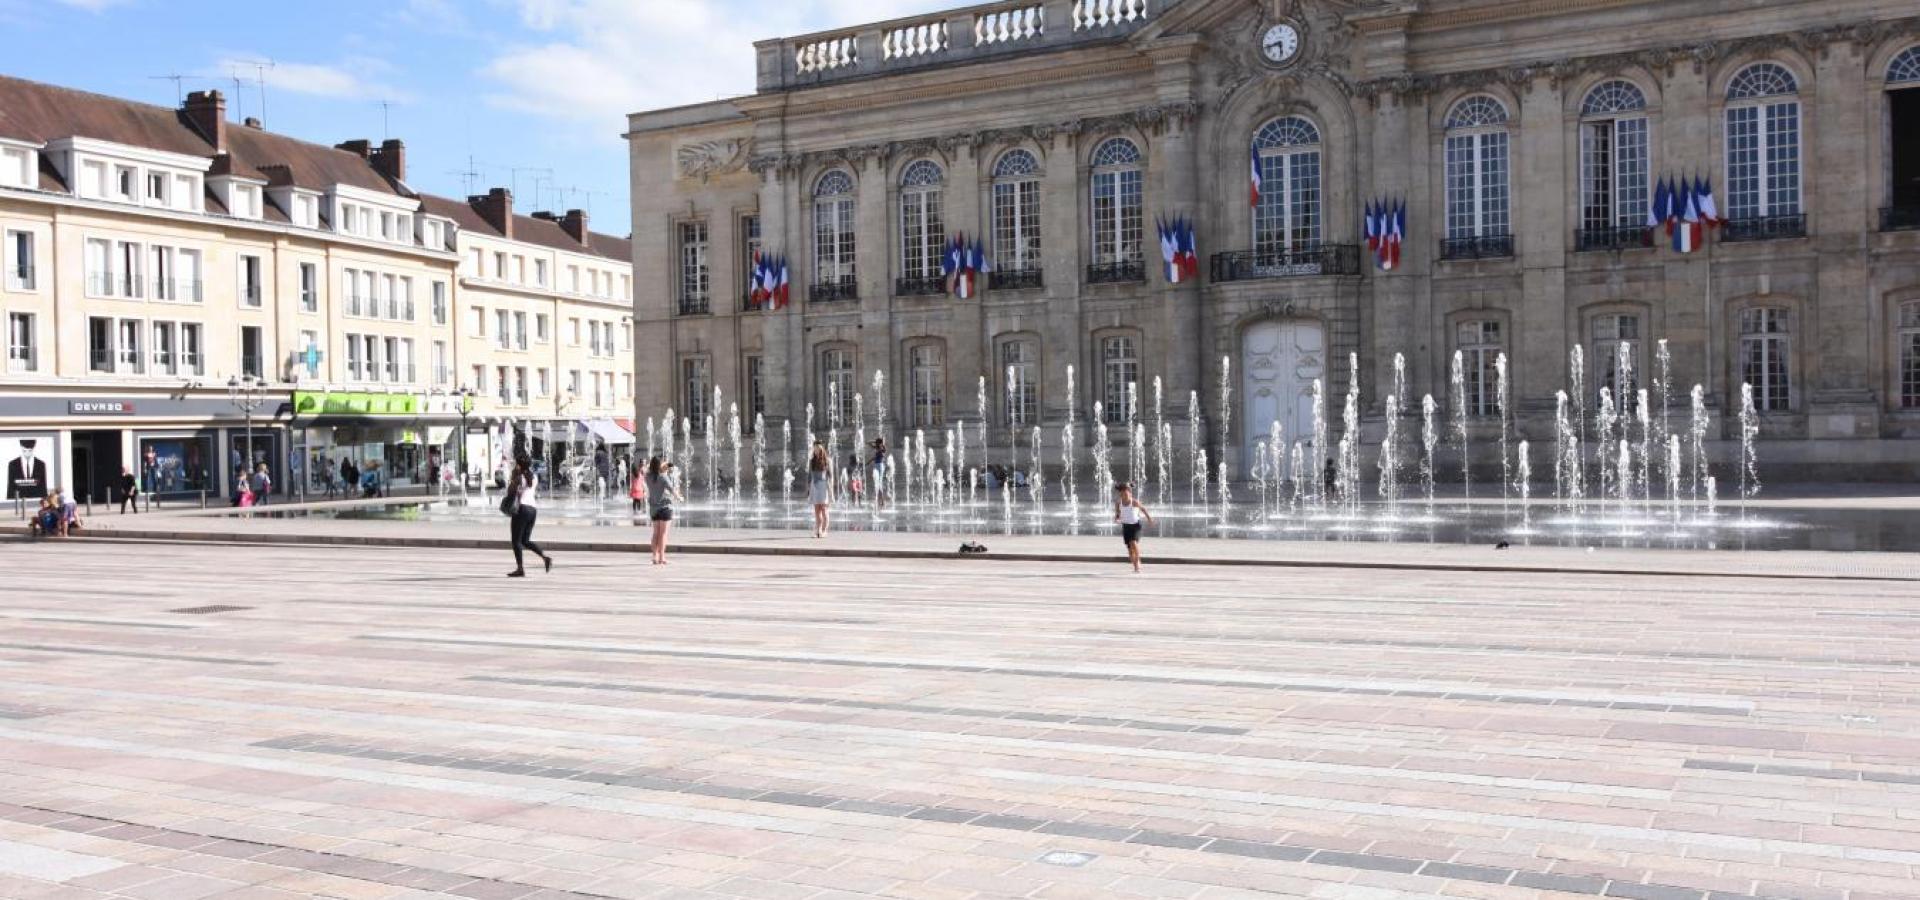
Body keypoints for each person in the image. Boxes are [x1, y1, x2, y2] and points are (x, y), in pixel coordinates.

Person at [505, 452, 552, 577]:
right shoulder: (534, 477)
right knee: (525, 540)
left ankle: (520, 569)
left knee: (516, 541)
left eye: (516, 464)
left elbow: (511, 491)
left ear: (519, 465)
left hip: (522, 509)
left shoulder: (519, 477)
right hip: (532, 510)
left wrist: (513, 477)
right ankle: (545, 557)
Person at [644, 455, 682, 565]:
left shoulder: (648, 476)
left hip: (654, 508)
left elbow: (648, 467)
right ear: (660, 465)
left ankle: (654, 557)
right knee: (663, 534)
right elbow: (672, 490)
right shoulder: (663, 477)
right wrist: (679, 498)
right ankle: (662, 557)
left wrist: (659, 465)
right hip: (665, 507)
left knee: (655, 533)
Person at [1113, 482, 1155, 574]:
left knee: (1133, 543)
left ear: (1130, 493)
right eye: (1122, 493)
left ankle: (1137, 566)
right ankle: (1136, 562)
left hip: (1135, 526)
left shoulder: (1134, 502)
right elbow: (1118, 513)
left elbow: (1143, 509)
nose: (1124, 495)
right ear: (1120, 494)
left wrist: (1149, 519)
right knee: (1130, 550)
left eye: (1126, 493)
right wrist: (1116, 517)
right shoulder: (1118, 503)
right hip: (1126, 526)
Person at [807, 443, 834, 538]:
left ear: (822, 450)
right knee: (817, 510)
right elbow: (809, 476)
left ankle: (824, 530)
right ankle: (818, 530)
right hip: (814, 486)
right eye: (815, 449)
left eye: (818, 449)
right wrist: (808, 488)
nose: (816, 451)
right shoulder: (812, 461)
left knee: (824, 509)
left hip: (824, 486)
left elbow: (830, 476)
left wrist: (831, 490)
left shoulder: (827, 460)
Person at [869, 438, 890, 508]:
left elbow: (882, 451)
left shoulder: (882, 449)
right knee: (877, 483)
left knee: (879, 483)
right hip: (876, 465)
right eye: (876, 442)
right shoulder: (878, 448)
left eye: (877, 442)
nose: (876, 443)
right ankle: (880, 501)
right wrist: (874, 441)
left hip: (880, 466)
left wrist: (881, 443)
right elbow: (868, 442)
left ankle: (882, 502)